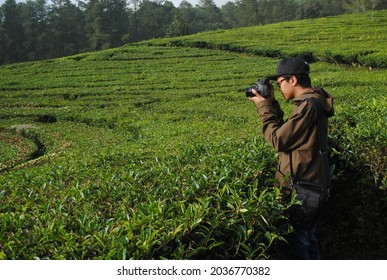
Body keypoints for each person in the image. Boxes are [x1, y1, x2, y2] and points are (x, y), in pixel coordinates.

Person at [248, 57, 334, 259]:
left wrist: (262, 107)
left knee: (299, 245)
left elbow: (278, 140)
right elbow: (289, 134)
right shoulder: (311, 103)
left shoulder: (308, 107)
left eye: (280, 83)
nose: (279, 88)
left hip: (303, 189)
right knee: (309, 239)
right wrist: (271, 104)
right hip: (312, 185)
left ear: (293, 80)